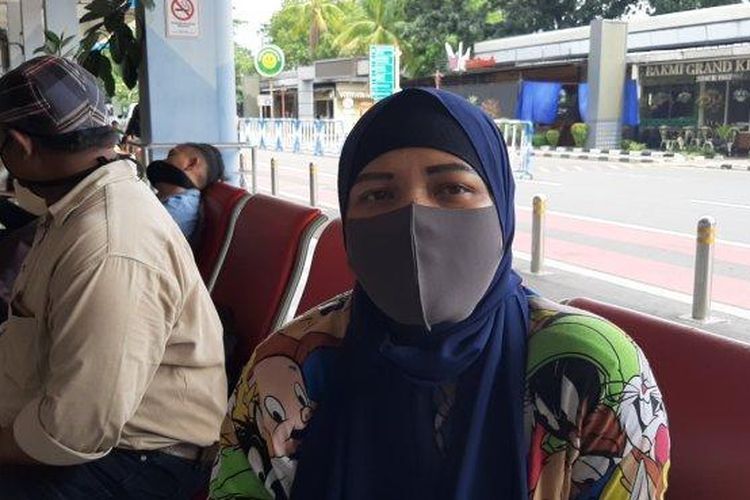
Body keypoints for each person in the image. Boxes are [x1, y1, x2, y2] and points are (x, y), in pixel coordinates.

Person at [210, 88, 670, 500]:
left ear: (501, 208)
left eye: (452, 188)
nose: (415, 217)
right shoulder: (287, 368)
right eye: (378, 195)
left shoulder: (590, 371)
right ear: (347, 224)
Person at [0, 55, 227, 498]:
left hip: (144, 461)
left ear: (20, 146)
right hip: (100, 437)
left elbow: (73, 433)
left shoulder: (110, 245)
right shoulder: (79, 205)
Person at [146, 142, 225, 243]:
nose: (163, 161)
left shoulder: (179, 208)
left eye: (171, 155)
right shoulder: (175, 202)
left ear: (191, 164)